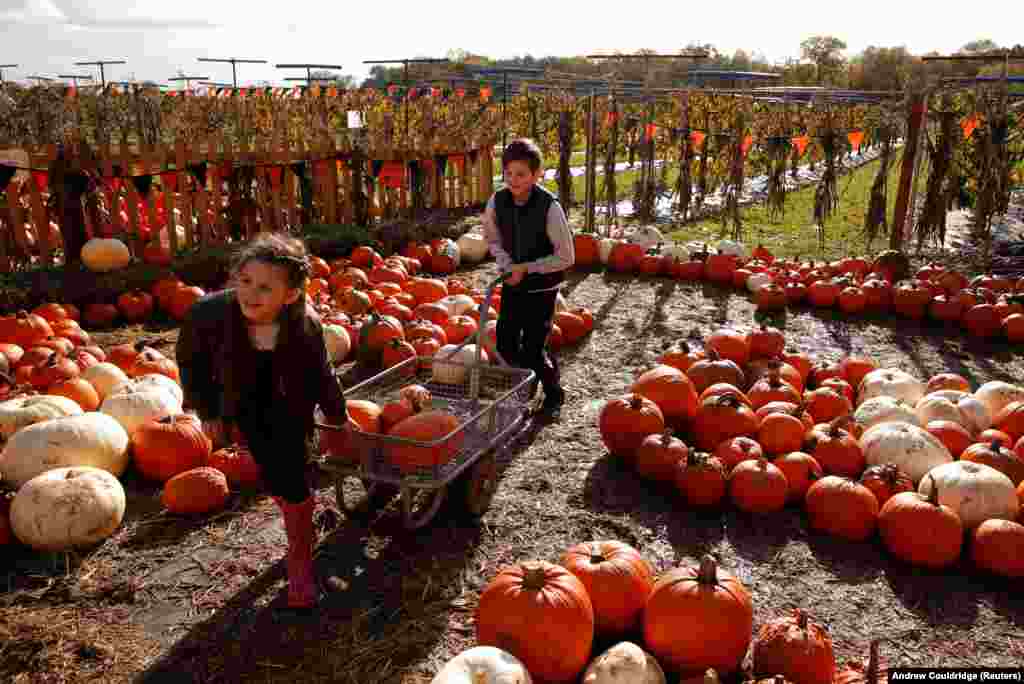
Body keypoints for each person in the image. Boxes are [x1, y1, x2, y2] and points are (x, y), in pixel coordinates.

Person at [175, 231, 351, 611]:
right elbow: (191, 364)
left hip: (289, 403)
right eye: (245, 281)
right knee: (271, 469)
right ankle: (293, 505)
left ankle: (300, 555)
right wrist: (207, 411)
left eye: (265, 288)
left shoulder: (304, 325)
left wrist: (337, 417)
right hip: (240, 398)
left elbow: (322, 375)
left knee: (293, 474)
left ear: (290, 294)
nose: (251, 293)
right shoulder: (208, 316)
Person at [482, 138, 575, 419]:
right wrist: (507, 264)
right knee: (505, 344)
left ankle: (554, 395)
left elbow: (566, 256)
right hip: (514, 283)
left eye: (521, 174)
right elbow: (492, 239)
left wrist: (528, 268)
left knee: (534, 348)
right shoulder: (497, 201)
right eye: (508, 173)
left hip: (542, 288)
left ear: (536, 174)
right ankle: (527, 386)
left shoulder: (549, 207)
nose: (513, 180)